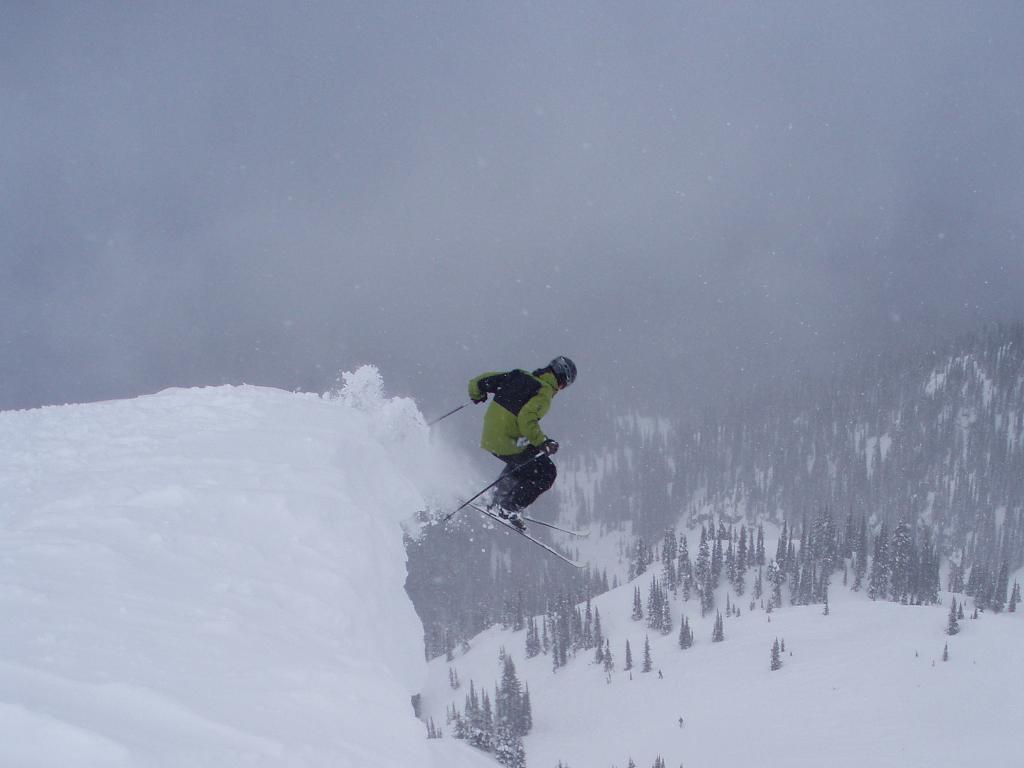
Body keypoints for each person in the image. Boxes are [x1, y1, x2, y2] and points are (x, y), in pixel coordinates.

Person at [468, 356, 577, 530]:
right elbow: (526, 419)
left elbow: (481, 380)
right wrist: (544, 442)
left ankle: (495, 499)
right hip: (507, 440)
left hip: (490, 436)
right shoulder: (544, 392)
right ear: (562, 381)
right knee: (546, 472)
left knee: (525, 458)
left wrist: (477, 394)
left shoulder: (518, 375)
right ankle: (508, 507)